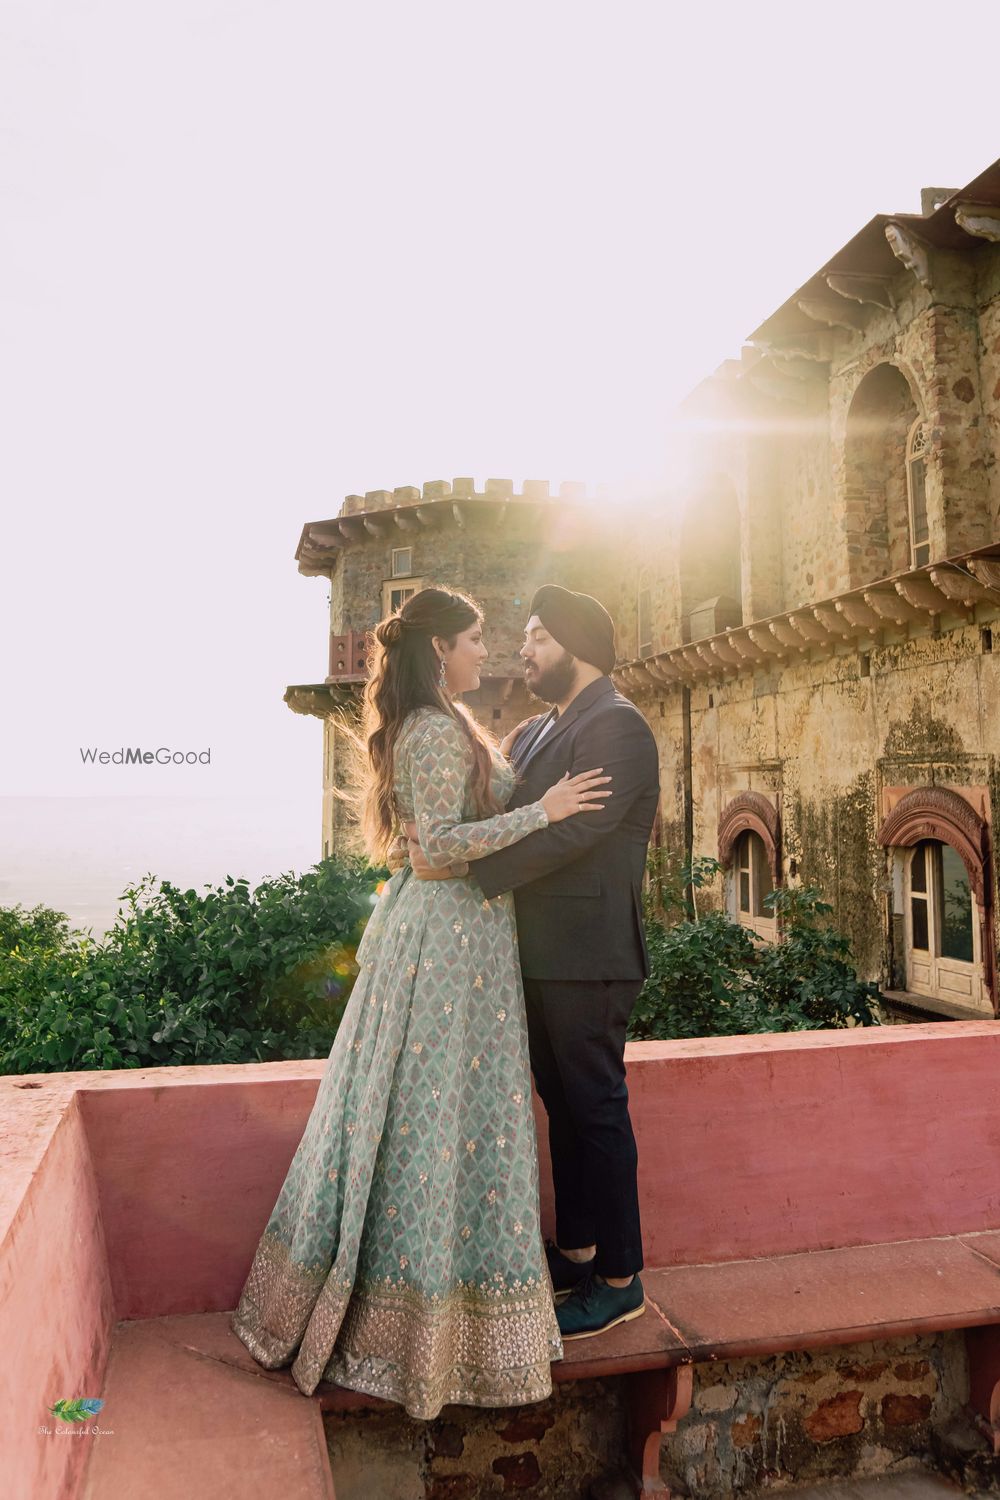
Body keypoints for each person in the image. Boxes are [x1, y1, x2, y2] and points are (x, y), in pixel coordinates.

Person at [230, 585, 613, 1420]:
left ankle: (432, 1319)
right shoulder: (436, 730)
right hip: (446, 944)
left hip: (458, 937)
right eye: (475, 638)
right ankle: (416, 1332)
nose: (489, 650)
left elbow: (437, 835)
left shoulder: (443, 724)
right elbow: (435, 848)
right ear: (440, 649)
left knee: (430, 1114)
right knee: (435, 1115)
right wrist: (542, 811)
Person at [405, 584, 660, 1341]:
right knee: (565, 1108)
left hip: (590, 954)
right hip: (541, 953)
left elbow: (573, 835)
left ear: (577, 644)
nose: (526, 650)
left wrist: (469, 873)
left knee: (597, 1107)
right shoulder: (546, 728)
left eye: (541, 637)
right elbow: (504, 811)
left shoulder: (616, 726)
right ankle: (576, 1252)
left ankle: (620, 1278)